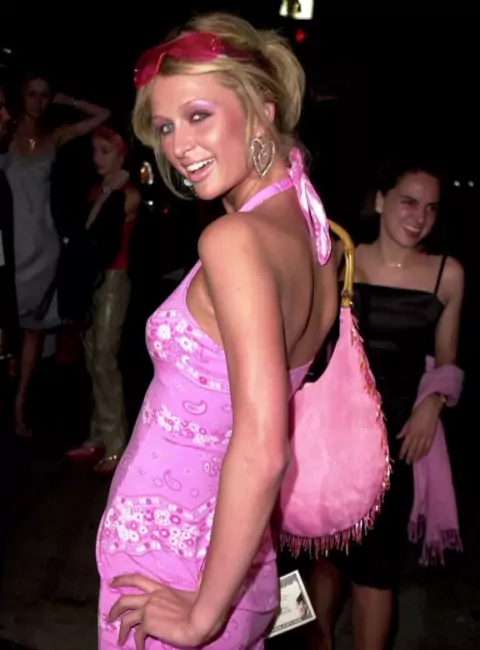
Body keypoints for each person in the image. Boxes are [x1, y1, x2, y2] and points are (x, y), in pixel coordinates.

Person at [96, 12, 338, 650]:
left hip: (172, 567)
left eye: (198, 115)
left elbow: (263, 446)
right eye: (166, 126)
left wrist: (201, 616)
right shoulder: (315, 232)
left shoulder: (235, 240)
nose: (178, 146)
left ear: (261, 111)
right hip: (242, 562)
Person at [309, 158, 464, 650]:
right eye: (409, 202)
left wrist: (433, 402)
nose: (420, 217)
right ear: (380, 201)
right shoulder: (342, 257)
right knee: (329, 551)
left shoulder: (447, 274)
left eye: (431, 208)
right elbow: (310, 343)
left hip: (398, 435)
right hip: (335, 429)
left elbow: (447, 360)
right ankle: (320, 641)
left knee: (376, 568)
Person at [2, 71, 110, 437]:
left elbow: (103, 115)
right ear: (21, 96)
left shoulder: (55, 136)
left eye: (45, 95)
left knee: (33, 328)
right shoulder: (5, 134)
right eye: (32, 94)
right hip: (8, 245)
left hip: (43, 246)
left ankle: (19, 409)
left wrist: (69, 101)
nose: (38, 101)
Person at [64, 126, 141, 474]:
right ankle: (98, 435)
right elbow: (82, 232)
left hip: (113, 279)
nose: (97, 158)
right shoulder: (100, 188)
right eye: (95, 151)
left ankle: (116, 444)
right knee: (92, 357)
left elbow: (95, 229)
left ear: (121, 155)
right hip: (91, 279)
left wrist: (109, 190)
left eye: (105, 152)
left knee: (104, 360)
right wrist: (105, 189)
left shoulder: (128, 194)